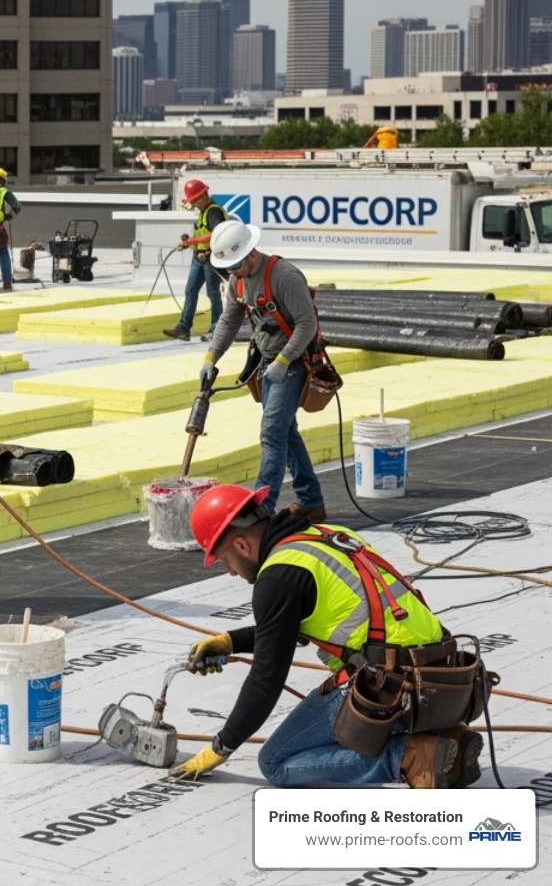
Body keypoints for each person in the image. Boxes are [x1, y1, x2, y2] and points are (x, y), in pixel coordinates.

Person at [171, 483, 481, 790]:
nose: (231, 572)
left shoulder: (278, 577)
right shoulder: (326, 536)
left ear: (241, 545)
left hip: (389, 684)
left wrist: (221, 747)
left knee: (275, 762)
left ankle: (409, 757)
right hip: (445, 677)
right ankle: (447, 737)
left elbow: (266, 679)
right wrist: (229, 641)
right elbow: (288, 627)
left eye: (225, 560)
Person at [199, 220, 326, 523]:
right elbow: (229, 321)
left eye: (236, 264)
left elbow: (306, 325)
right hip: (268, 363)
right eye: (227, 266)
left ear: (251, 252)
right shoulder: (237, 281)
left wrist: (283, 361)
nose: (233, 271)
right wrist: (211, 356)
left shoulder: (283, 276)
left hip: (293, 364)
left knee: (272, 433)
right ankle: (311, 501)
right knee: (286, 433)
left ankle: (261, 510)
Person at [163, 178, 225, 342]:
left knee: (213, 293)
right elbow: (202, 235)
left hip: (211, 257)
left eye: (195, 200)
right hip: (199, 257)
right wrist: (189, 243)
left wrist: (193, 241)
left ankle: (216, 329)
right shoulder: (203, 213)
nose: (194, 204)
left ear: (204, 195)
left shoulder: (214, 211)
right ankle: (183, 328)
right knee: (190, 291)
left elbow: (217, 233)